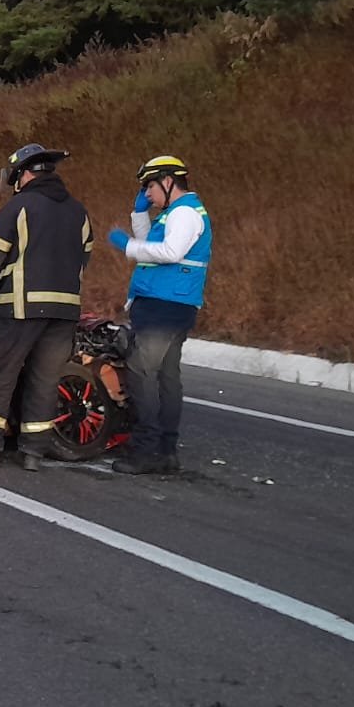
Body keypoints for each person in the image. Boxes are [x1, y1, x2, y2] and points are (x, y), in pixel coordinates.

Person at [0, 144, 93, 472]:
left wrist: (12, 269)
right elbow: (85, 254)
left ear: (24, 175)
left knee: (0, 373)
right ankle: (33, 452)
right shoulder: (79, 211)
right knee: (44, 379)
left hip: (20, 306)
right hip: (65, 310)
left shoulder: (21, 205)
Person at [106, 156, 211, 475]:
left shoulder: (184, 213)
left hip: (166, 306)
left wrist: (126, 245)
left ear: (168, 182)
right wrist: (139, 214)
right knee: (166, 376)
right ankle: (165, 450)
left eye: (150, 186)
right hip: (164, 303)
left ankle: (147, 448)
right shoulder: (174, 213)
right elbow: (153, 242)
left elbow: (169, 253)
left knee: (140, 371)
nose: (148, 193)